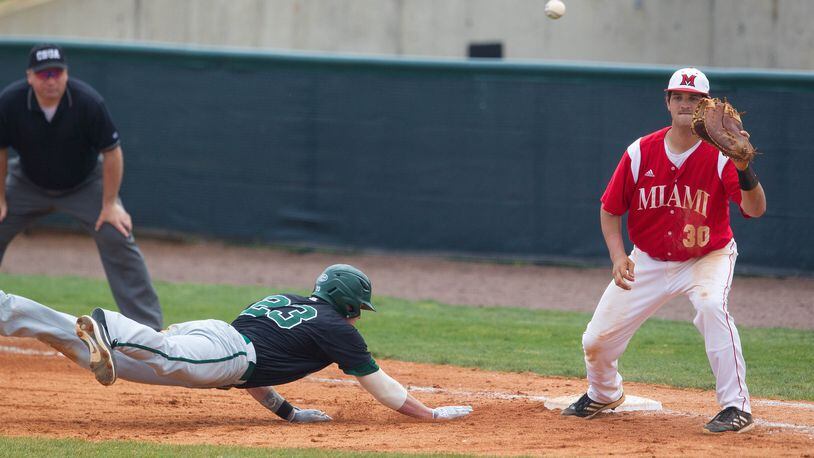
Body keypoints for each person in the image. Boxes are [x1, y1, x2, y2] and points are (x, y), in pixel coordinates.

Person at [0, 264, 473, 423]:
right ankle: (108, 324)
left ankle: (12, 310)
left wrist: (287, 412)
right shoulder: (338, 330)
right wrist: (430, 414)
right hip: (223, 352)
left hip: (219, 342)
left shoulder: (286, 301)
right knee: (166, 356)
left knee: (107, 359)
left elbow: (253, 367)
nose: (358, 318)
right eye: (359, 309)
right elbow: (385, 389)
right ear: (350, 305)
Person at [561, 68, 766, 434]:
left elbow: (754, 209)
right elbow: (610, 209)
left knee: (710, 306)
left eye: (694, 99)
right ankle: (605, 393)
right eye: (679, 97)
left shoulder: (722, 156)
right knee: (595, 340)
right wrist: (618, 256)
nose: (685, 104)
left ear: (706, 107)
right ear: (668, 102)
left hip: (707, 257)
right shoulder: (641, 152)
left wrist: (744, 167)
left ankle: (737, 406)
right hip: (649, 259)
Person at [0, 43, 162, 330]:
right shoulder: (10, 102)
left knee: (116, 232)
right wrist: (0, 197)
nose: (50, 79)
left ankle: (148, 331)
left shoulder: (88, 102)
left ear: (65, 74)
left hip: (85, 183)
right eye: (43, 74)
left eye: (56, 72)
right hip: (27, 182)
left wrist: (110, 204)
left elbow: (112, 152)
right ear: (29, 76)